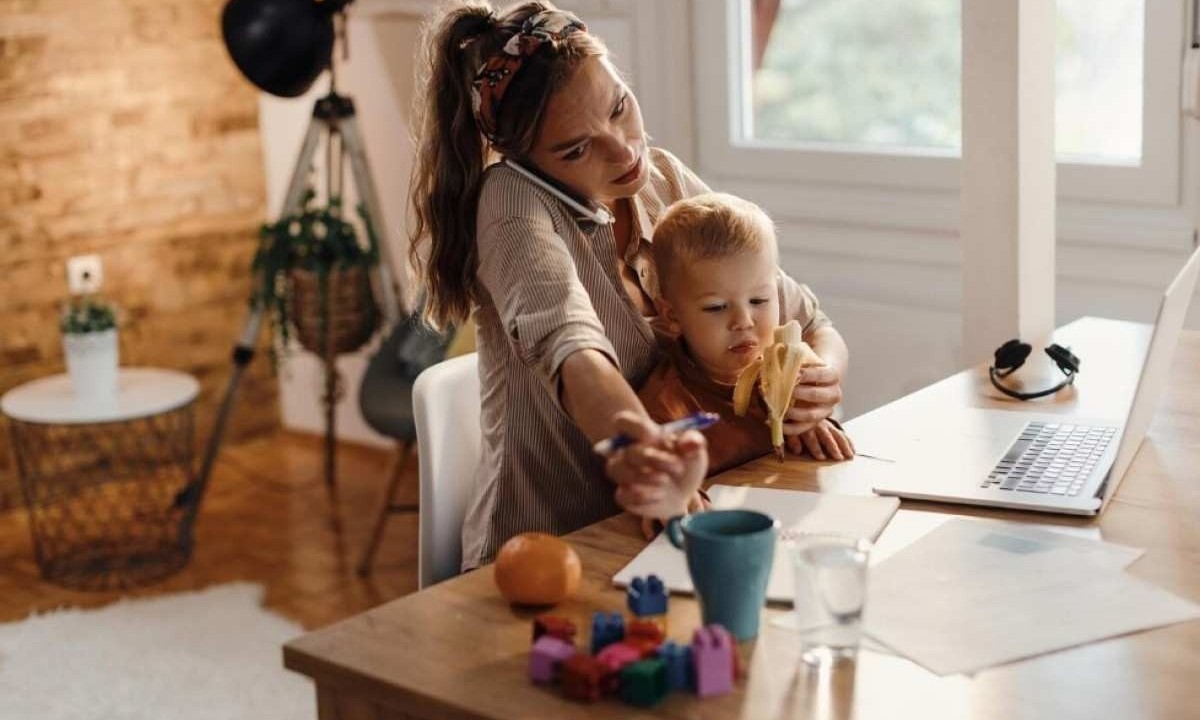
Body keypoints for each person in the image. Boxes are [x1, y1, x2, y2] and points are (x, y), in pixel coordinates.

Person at [408, 1, 850, 569]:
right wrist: (643, 448)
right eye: (576, 148)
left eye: (620, 107)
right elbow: (574, 352)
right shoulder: (511, 202)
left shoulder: (660, 177)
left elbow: (809, 320)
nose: (624, 150)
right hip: (555, 550)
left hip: (672, 529)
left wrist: (821, 379)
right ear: (524, 158)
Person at [639, 193, 855, 475]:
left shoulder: (791, 381)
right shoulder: (665, 410)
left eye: (759, 301)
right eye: (716, 307)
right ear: (672, 315)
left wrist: (813, 421)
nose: (743, 322)